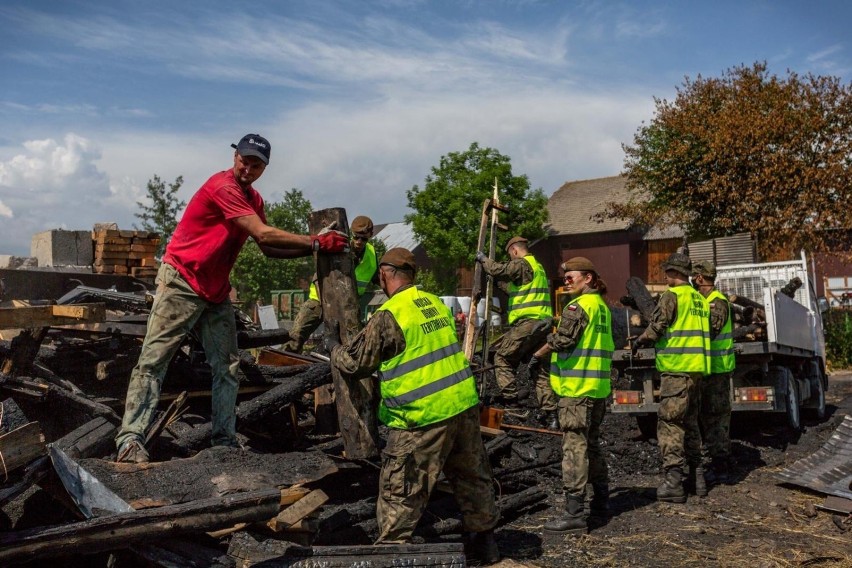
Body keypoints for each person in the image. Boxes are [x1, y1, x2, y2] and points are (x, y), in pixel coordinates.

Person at [114, 134, 348, 464]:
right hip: (181, 280)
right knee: (154, 361)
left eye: (255, 165)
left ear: (264, 169)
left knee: (226, 368)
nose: (247, 169)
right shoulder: (222, 187)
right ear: (234, 156)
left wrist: (314, 250)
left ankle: (223, 439)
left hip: (214, 290)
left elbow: (268, 249)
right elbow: (263, 234)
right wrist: (317, 243)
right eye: (243, 160)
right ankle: (129, 440)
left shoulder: (255, 201)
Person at [329, 248, 500, 565]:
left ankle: (391, 554)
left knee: (400, 492)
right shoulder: (435, 303)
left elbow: (356, 363)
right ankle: (485, 547)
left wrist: (334, 347)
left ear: (384, 274)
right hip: (462, 407)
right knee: (472, 479)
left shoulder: (391, 314)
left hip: (421, 416)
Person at [532, 257, 614, 534]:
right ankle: (602, 502)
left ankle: (574, 512)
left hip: (576, 391)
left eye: (571, 277)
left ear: (588, 278)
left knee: (574, 449)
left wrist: (539, 352)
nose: (566, 281)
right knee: (591, 446)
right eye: (565, 278)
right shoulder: (601, 307)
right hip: (597, 389)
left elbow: (565, 340)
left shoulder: (578, 307)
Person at [633, 252, 710, 503]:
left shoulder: (672, 296)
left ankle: (674, 482)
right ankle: (698, 477)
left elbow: (657, 327)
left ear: (673, 273)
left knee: (669, 423)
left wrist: (640, 340)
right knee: (691, 422)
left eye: (667, 271)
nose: (665, 275)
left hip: (676, 369)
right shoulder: (698, 299)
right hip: (696, 369)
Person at [476, 236, 557, 428]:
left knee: (502, 358)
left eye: (510, 255)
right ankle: (551, 414)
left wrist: (483, 259)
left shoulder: (520, 263)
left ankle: (512, 402)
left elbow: (499, 269)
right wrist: (496, 283)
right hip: (543, 324)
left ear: (514, 251)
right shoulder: (536, 267)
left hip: (528, 323)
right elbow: (513, 289)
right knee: (539, 369)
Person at [284, 215, 379, 353]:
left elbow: (378, 278)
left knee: (352, 346)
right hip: (319, 300)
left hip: (348, 308)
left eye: (363, 239)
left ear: (371, 235)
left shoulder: (372, 254)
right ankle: (283, 363)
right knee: (295, 337)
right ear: (350, 232)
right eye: (356, 237)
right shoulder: (337, 243)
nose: (359, 241)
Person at [691, 260, 734, 488]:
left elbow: (711, 330)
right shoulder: (702, 301)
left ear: (699, 278)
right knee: (705, 416)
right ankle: (714, 462)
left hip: (717, 370)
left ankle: (721, 466)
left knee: (717, 418)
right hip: (706, 369)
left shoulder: (717, 303)